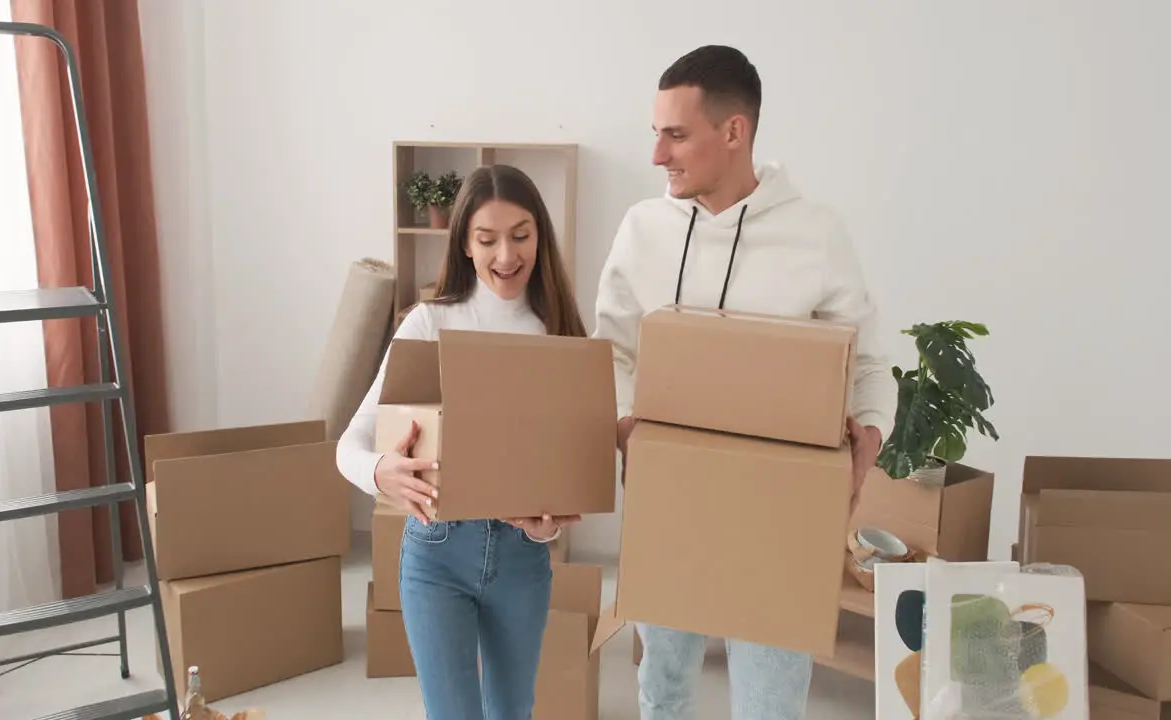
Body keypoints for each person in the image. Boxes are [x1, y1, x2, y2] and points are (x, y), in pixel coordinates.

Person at [593, 45, 897, 720]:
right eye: (656, 135)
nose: (657, 156)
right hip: (666, 506)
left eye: (676, 135)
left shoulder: (815, 235)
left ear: (735, 132)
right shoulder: (642, 231)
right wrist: (625, 427)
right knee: (662, 693)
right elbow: (608, 353)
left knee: (769, 706)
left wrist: (866, 441)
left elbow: (870, 365)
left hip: (779, 520)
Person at [336, 164, 586, 719]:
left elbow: (569, 465)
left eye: (520, 235)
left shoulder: (560, 333)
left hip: (524, 559)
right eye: (487, 238)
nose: (505, 256)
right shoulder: (429, 324)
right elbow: (347, 445)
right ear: (465, 246)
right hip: (437, 552)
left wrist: (549, 526)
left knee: (511, 714)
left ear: (540, 237)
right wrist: (381, 471)